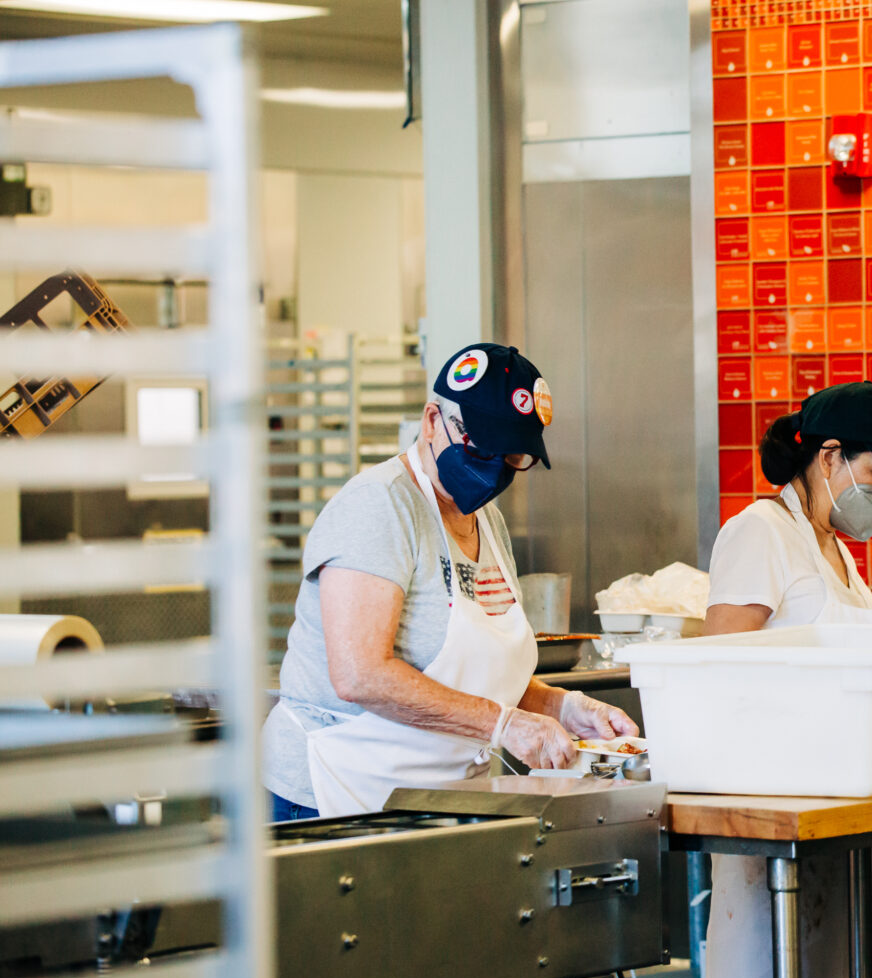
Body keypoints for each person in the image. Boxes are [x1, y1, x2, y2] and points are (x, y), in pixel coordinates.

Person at [262, 343, 637, 821]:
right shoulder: (380, 507)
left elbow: (471, 675)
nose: (495, 468)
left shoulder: (487, 522)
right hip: (337, 794)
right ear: (432, 421)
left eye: (513, 457)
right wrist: (504, 725)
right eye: (481, 449)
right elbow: (360, 675)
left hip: (436, 799)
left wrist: (561, 708)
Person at [700, 381, 872, 978]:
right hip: (770, 818)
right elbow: (718, 668)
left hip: (836, 815)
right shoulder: (760, 531)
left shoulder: (834, 547)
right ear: (829, 457)